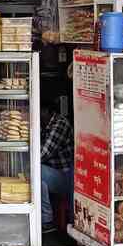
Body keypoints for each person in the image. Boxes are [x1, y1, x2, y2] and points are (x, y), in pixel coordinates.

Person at [39, 97, 74, 232]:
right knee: (35, 172)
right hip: (53, 173)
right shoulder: (44, 125)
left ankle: (47, 221)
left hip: (65, 178)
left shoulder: (60, 125)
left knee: (36, 170)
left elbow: (42, 154)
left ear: (46, 111)